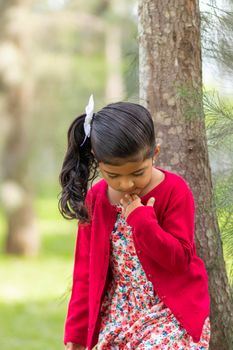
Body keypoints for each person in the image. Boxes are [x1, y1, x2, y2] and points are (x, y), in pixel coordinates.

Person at [59, 96, 211, 350]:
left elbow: (179, 259)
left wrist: (142, 221)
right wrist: (75, 337)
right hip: (119, 313)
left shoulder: (174, 191)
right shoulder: (96, 199)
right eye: (113, 176)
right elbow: (85, 273)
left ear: (155, 154)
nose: (127, 184)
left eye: (138, 173)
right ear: (98, 160)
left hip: (171, 311)